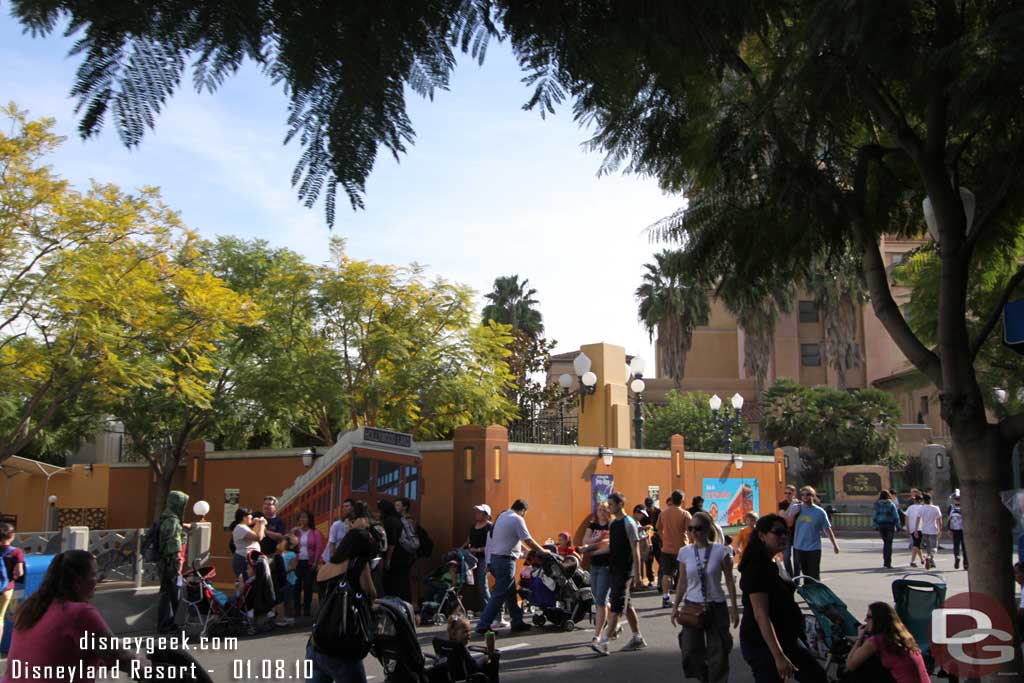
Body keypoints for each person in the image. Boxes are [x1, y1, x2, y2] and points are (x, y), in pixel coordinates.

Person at [2, 550, 149, 683]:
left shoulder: (30, 606)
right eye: (94, 575)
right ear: (78, 581)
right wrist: (148, 667)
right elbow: (120, 657)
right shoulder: (81, 614)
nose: (97, 581)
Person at [738, 514, 828, 683]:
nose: (784, 536)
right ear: (762, 536)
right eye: (778, 532)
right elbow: (761, 615)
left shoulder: (773, 562)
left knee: (817, 677)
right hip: (763, 644)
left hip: (787, 638)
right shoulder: (756, 568)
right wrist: (778, 655)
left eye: (786, 532)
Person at [671, 511, 739, 683]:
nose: (694, 532)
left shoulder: (721, 551)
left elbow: (730, 581)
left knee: (718, 650)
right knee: (690, 650)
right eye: (690, 528)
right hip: (692, 605)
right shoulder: (684, 552)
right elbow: (682, 582)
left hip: (716, 605)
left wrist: (735, 608)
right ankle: (704, 678)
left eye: (698, 528)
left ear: (708, 529)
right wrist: (675, 607)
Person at [309, 528, 377, 683]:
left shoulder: (324, 568)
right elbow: (371, 593)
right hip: (342, 642)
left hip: (317, 641)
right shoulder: (358, 564)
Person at [475, 499, 549, 636]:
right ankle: (483, 625)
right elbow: (528, 540)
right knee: (498, 595)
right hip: (505, 562)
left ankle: (517, 621)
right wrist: (543, 551)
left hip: (495, 560)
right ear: (523, 511)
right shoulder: (517, 519)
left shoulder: (502, 516)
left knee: (510, 593)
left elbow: (513, 540)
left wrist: (489, 563)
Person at [591, 492, 647, 655]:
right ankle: (637, 637)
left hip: (625, 570)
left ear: (620, 505)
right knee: (626, 604)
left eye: (611, 504)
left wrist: (637, 574)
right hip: (613, 568)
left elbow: (635, 549)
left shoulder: (629, 523)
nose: (609, 507)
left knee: (616, 605)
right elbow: (612, 547)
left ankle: (604, 642)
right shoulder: (613, 523)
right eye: (608, 504)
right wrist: (591, 551)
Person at [845, 602, 929, 683]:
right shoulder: (902, 636)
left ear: (879, 619)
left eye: (869, 617)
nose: (865, 620)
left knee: (858, 672)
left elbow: (850, 665)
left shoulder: (876, 641)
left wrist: (859, 638)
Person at [580, 502, 614, 646]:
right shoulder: (592, 526)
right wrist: (597, 540)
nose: (601, 512)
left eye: (604, 509)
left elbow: (609, 544)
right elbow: (585, 541)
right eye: (599, 509)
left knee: (600, 600)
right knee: (599, 597)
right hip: (594, 565)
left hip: (607, 566)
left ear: (608, 512)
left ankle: (597, 635)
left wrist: (591, 547)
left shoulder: (611, 525)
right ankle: (614, 621)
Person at [157, 490, 191, 634]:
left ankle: (165, 623)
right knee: (173, 592)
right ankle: (173, 623)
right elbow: (174, 540)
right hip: (172, 561)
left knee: (166, 592)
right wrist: (179, 559)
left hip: (164, 561)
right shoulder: (173, 520)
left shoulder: (166, 516)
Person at [787, 487, 839, 580]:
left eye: (808, 494)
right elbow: (789, 524)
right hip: (799, 547)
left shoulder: (819, 512)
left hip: (814, 548)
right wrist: (795, 513)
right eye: (803, 495)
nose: (805, 497)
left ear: (813, 496)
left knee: (814, 575)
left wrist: (835, 545)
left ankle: (815, 592)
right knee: (805, 573)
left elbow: (827, 529)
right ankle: (808, 591)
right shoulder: (796, 507)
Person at [657, 490, 692, 609]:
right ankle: (687, 598)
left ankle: (665, 597)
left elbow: (658, 529)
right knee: (684, 574)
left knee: (666, 574)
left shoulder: (663, 513)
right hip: (682, 548)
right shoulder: (685, 514)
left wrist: (664, 539)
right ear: (682, 500)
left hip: (666, 548)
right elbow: (691, 531)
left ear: (671, 499)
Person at [379, 499, 415, 602]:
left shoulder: (390, 521)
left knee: (394, 583)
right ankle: (405, 602)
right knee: (403, 582)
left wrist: (388, 560)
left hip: (396, 558)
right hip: (405, 555)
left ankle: (395, 604)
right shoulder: (399, 519)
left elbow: (392, 543)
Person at [292, 510, 324, 617]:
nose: (302, 519)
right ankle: (296, 608)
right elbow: (289, 544)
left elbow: (319, 548)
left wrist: (315, 562)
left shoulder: (315, 532)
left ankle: (306, 608)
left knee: (308, 585)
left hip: (309, 562)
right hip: (297, 562)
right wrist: (292, 531)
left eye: (304, 517)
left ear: (309, 519)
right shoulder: (296, 532)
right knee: (296, 586)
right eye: (300, 517)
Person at [0, 523, 25, 647]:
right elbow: (19, 572)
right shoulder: (16, 552)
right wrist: (13, 577)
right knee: (0, 619)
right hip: (6, 589)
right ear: (12, 536)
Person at [232, 508, 265, 583]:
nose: (252, 517)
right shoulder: (241, 527)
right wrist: (262, 524)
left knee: (248, 583)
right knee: (244, 583)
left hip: (247, 559)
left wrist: (257, 523)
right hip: (243, 559)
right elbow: (258, 537)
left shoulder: (244, 527)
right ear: (244, 517)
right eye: (250, 515)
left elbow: (254, 534)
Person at [872, 491, 901, 569]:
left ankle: (885, 561)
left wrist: (875, 525)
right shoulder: (891, 504)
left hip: (881, 525)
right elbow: (896, 516)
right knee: (889, 543)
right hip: (889, 525)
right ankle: (887, 562)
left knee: (885, 543)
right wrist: (898, 526)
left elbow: (874, 516)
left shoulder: (877, 505)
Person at [321, 499, 355, 565]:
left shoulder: (355, 524)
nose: (344, 508)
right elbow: (331, 543)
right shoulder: (337, 524)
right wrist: (332, 560)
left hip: (343, 558)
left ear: (353, 507)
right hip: (331, 559)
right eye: (343, 506)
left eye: (347, 506)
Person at [275, 535, 299, 626]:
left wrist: (284, 572)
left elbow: (293, 566)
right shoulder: (281, 554)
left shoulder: (291, 554)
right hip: (283, 579)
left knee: (288, 599)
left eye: (283, 541)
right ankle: (285, 616)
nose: (281, 543)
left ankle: (290, 617)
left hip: (289, 580)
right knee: (284, 599)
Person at [915, 494, 942, 570]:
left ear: (923, 500)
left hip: (924, 530)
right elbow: (939, 520)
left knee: (928, 547)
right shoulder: (935, 508)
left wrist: (916, 530)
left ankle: (930, 560)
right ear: (930, 500)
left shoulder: (921, 508)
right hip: (933, 530)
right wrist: (940, 530)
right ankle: (929, 557)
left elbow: (918, 519)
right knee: (934, 547)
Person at [777, 485, 797, 577]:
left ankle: (796, 579)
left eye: (789, 493)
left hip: (797, 533)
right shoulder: (782, 504)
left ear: (794, 493)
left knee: (797, 559)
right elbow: (783, 516)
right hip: (786, 534)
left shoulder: (799, 503)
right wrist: (791, 505)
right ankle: (790, 576)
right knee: (786, 557)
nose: (787, 495)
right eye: (786, 493)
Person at [632, 506, 654, 588]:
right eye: (642, 514)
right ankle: (636, 583)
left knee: (640, 564)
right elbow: (634, 530)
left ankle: (639, 582)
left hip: (642, 547)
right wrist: (644, 528)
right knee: (637, 564)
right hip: (636, 547)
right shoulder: (632, 521)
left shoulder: (637, 521)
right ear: (637, 512)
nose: (643, 516)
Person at [644, 497, 661, 586]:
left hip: (657, 539)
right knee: (648, 560)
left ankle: (661, 578)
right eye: (648, 506)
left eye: (650, 506)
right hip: (648, 539)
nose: (649, 508)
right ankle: (650, 579)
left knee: (660, 558)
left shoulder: (659, 512)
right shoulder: (644, 513)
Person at [946, 495, 967, 570]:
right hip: (964, 529)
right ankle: (966, 564)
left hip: (954, 529)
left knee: (956, 545)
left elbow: (949, 519)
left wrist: (948, 529)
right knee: (965, 547)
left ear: (954, 500)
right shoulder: (965, 506)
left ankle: (957, 557)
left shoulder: (951, 507)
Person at [904, 494, 924, 567]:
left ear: (915, 500)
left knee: (917, 544)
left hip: (912, 528)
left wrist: (907, 528)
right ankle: (912, 561)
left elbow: (906, 518)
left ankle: (922, 559)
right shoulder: (922, 508)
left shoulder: (910, 508)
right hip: (921, 528)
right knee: (916, 545)